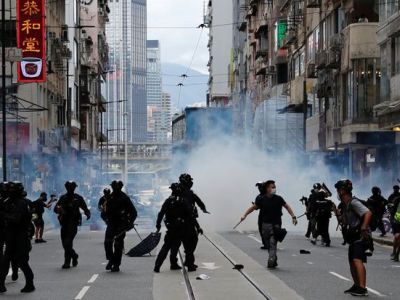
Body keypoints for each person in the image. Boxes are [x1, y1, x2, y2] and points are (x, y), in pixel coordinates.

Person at [241, 180, 297, 268]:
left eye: (275, 187)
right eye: (272, 187)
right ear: (267, 189)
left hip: (276, 225)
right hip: (265, 225)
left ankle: (271, 260)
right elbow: (253, 208)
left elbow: (287, 207)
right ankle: (273, 258)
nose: (274, 188)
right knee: (267, 244)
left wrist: (293, 216)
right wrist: (244, 215)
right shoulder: (261, 199)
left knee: (272, 243)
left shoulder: (279, 198)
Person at [335, 179, 373, 297]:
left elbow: (368, 213)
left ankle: (362, 288)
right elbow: (344, 221)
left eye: (338, 190)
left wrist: (364, 227)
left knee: (357, 260)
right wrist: (336, 212)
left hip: (361, 236)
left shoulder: (354, 202)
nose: (337, 192)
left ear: (342, 191)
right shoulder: (346, 205)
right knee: (352, 261)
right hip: (353, 237)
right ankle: (356, 285)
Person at [0, 182, 35, 293]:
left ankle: (30, 284)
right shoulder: (9, 202)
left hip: (20, 237)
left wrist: (3, 215)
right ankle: (1, 284)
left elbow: (16, 219)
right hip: (11, 236)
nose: (8, 192)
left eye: (11, 190)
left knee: (22, 262)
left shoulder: (22, 203)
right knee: (5, 261)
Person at [154, 183, 192, 273]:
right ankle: (189, 266)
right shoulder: (183, 201)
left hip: (170, 228)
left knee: (166, 247)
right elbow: (189, 215)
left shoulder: (168, 201)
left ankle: (158, 266)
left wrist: (158, 224)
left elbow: (161, 213)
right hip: (180, 228)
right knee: (186, 247)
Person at [54, 181, 91, 269]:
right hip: (64, 223)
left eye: (72, 187)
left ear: (74, 188)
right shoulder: (63, 198)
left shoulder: (78, 198)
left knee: (68, 242)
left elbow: (85, 208)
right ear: (66, 188)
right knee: (64, 244)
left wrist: (87, 213)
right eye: (68, 187)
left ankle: (67, 262)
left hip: (73, 223)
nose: (70, 188)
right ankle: (74, 256)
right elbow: (56, 208)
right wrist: (58, 209)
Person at [102, 181, 137, 272]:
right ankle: (111, 260)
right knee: (107, 243)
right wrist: (105, 218)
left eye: (117, 187)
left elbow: (133, 212)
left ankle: (116, 264)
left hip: (121, 224)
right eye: (114, 186)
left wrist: (130, 222)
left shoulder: (125, 198)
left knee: (118, 244)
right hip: (111, 224)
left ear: (121, 187)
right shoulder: (108, 197)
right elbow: (103, 212)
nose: (115, 188)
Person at [179, 173, 206, 271]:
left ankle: (187, 261)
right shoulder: (189, 193)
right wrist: (203, 208)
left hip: (183, 222)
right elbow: (199, 202)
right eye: (190, 180)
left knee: (187, 243)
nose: (191, 182)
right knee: (191, 241)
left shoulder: (178, 192)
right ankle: (190, 264)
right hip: (188, 222)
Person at [255, 182, 268, 249]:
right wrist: (255, 206)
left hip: (270, 215)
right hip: (262, 215)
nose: (259, 189)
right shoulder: (259, 197)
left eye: (261, 187)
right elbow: (257, 207)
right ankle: (266, 244)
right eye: (259, 187)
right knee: (261, 229)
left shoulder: (270, 195)